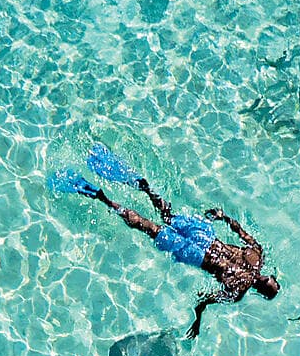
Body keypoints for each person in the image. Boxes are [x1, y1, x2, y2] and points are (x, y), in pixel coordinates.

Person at [49, 144, 279, 338]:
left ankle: (145, 187)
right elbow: (204, 301)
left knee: (167, 215)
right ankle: (102, 198)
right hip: (197, 256)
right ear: (258, 291)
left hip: (205, 236)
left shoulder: (257, 255)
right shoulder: (237, 290)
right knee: (148, 227)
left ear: (269, 277)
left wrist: (223, 216)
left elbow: (239, 229)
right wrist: (197, 320)